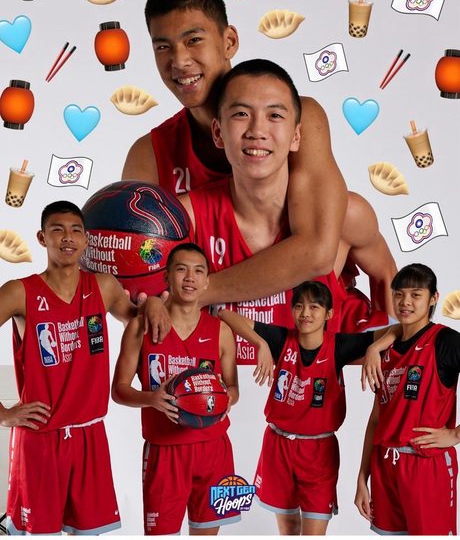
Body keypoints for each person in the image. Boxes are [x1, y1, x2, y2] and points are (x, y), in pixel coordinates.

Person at [122, 0, 349, 305]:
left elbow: (316, 251)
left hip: (306, 329)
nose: (179, 61)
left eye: (193, 40)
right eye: (163, 47)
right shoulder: (149, 154)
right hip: (206, 338)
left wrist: (196, 294)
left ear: (229, 41)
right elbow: (134, 275)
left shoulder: (302, 118)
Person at [175, 59, 396, 341]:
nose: (257, 131)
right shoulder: (184, 219)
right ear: (218, 133)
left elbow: (387, 276)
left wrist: (395, 356)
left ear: (296, 136)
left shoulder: (345, 216)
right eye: (241, 114)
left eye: (275, 116)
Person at [0, 200, 168, 536]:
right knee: (39, 534)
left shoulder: (103, 286)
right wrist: (3, 414)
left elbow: (137, 324)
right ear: (42, 238)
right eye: (57, 230)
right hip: (41, 438)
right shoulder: (19, 292)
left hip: (90, 435)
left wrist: (151, 303)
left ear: (86, 239)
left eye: (76, 230)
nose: (68, 237)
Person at [219, 281, 399, 536]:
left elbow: (400, 329)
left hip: (318, 451)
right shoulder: (280, 339)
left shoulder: (339, 346)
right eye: (299, 306)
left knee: (314, 533)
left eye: (314, 307)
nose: (305, 313)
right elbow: (225, 315)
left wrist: (374, 347)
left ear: (329, 314)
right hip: (278, 445)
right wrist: (260, 343)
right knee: (289, 529)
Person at [111, 243, 239, 536]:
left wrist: (227, 398)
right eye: (182, 270)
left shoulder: (221, 331)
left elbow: (232, 387)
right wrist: (151, 399)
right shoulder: (140, 327)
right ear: (166, 277)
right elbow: (119, 390)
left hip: (214, 449)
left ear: (206, 281)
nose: (190, 278)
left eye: (198, 271)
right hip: (164, 451)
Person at [354, 263, 460, 536]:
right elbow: (376, 419)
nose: (405, 302)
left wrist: (456, 434)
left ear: (433, 298)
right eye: (399, 294)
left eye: (416, 294)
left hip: (426, 466)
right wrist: (362, 478)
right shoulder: (384, 348)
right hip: (385, 466)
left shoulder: (446, 342)